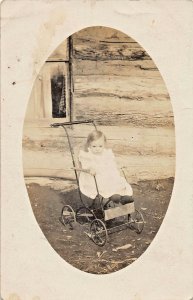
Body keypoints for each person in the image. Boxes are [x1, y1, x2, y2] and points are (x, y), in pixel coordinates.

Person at [78, 130, 133, 207]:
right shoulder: (88, 155)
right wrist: (90, 169)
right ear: (89, 145)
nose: (97, 149)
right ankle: (114, 196)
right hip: (93, 178)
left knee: (117, 180)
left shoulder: (106, 153)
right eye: (94, 146)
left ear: (104, 145)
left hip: (106, 175)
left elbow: (112, 163)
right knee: (104, 183)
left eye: (100, 146)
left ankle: (122, 197)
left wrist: (117, 166)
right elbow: (86, 165)